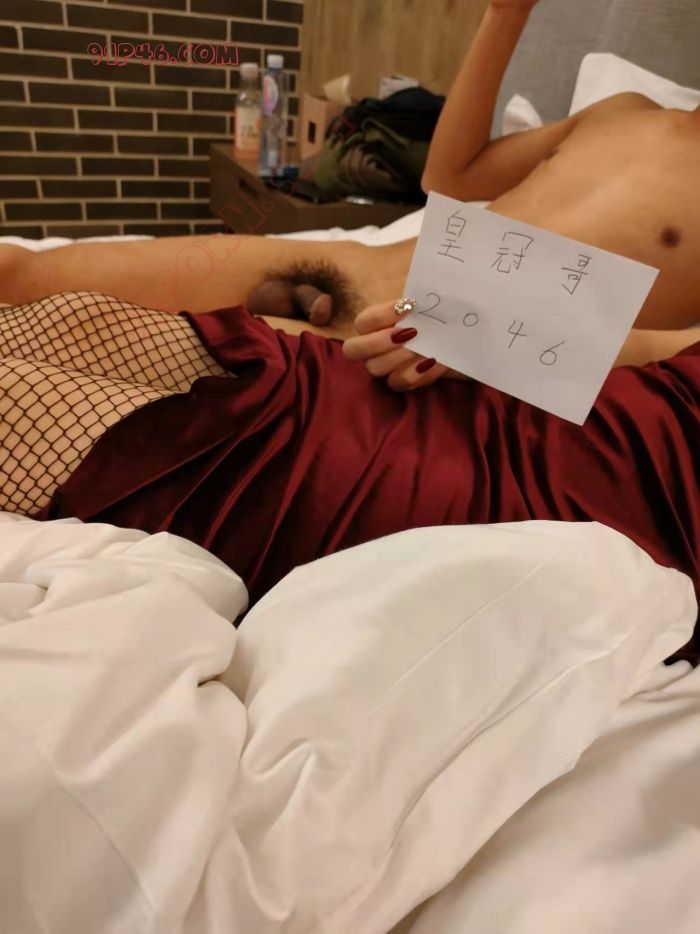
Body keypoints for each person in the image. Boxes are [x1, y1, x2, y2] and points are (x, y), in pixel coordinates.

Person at [0, 0, 696, 658]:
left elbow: (679, 358)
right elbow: (451, 177)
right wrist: (504, 15)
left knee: (60, 394)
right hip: (356, 268)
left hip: (411, 362)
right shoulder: (621, 110)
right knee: (21, 276)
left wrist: (497, 339)